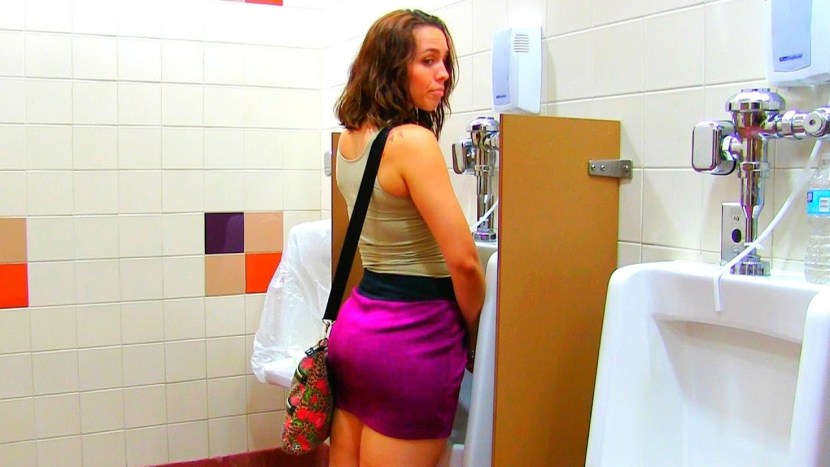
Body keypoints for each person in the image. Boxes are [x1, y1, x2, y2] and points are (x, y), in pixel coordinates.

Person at [326, 9, 486, 467]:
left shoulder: (350, 141)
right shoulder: (412, 142)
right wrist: (475, 333)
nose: (444, 74)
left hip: (358, 329)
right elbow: (465, 262)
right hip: (414, 338)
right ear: (392, 68)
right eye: (428, 61)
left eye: (446, 61)